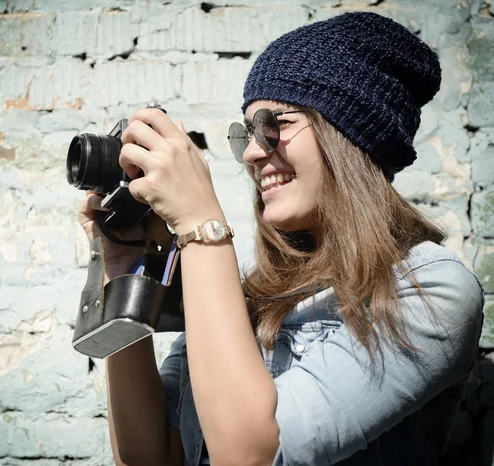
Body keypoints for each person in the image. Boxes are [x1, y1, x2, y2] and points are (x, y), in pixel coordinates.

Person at [77, 11, 484, 466]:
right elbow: (151, 457)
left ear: (349, 137)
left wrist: (201, 224)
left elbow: (248, 455)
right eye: (247, 132)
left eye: (275, 125)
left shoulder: (432, 290)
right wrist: (125, 269)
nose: (253, 152)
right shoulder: (247, 285)